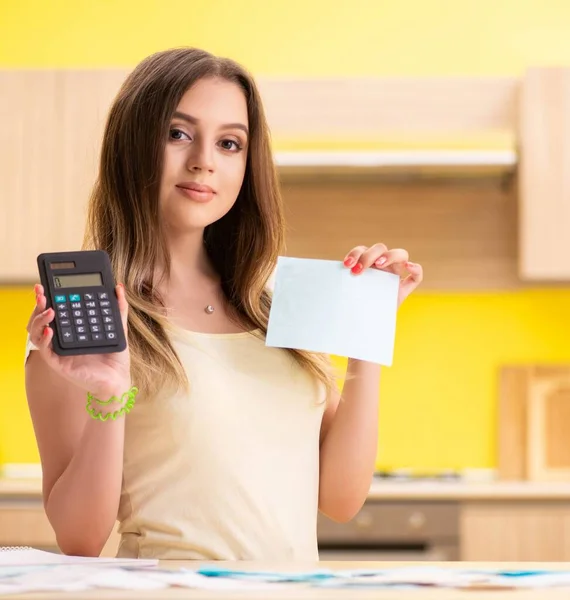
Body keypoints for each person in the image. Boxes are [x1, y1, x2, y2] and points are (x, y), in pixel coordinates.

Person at [24, 47, 423, 561]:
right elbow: (79, 539)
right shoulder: (89, 319)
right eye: (178, 134)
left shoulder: (277, 300)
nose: (204, 161)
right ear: (131, 145)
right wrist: (109, 396)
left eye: (230, 143)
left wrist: (367, 331)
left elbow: (341, 499)